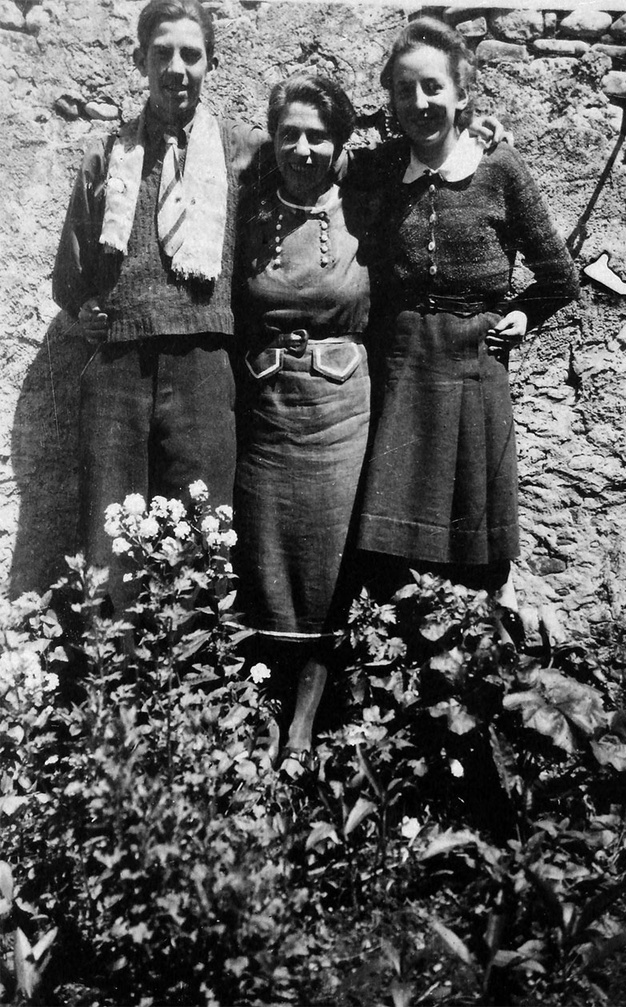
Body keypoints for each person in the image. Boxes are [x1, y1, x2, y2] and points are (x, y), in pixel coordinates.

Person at [356, 17, 580, 632]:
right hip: (400, 374)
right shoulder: (379, 170)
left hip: (475, 374)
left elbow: (561, 277)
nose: (419, 103)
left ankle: (471, 685)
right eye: (405, 91)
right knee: (390, 550)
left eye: (433, 87)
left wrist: (521, 312)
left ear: (461, 93)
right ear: (392, 101)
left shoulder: (500, 168)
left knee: (471, 549)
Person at [52, 0, 262, 614]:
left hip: (204, 364)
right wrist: (85, 307)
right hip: (117, 373)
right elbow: (71, 276)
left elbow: (325, 161)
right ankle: (112, 692)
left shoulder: (245, 151)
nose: (176, 67)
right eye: (162, 52)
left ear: (211, 63)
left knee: (202, 534)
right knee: (109, 543)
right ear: (140, 60)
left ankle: (194, 695)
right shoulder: (108, 157)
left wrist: (475, 137)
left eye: (191, 54)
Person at [232, 74, 374, 772]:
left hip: (341, 412)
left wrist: (484, 134)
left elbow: (426, 155)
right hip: (266, 412)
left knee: (328, 566)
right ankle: (262, 713)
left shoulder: (368, 203)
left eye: (318, 134)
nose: (303, 147)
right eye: (289, 132)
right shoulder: (249, 211)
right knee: (266, 561)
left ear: (339, 141)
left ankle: (304, 726)